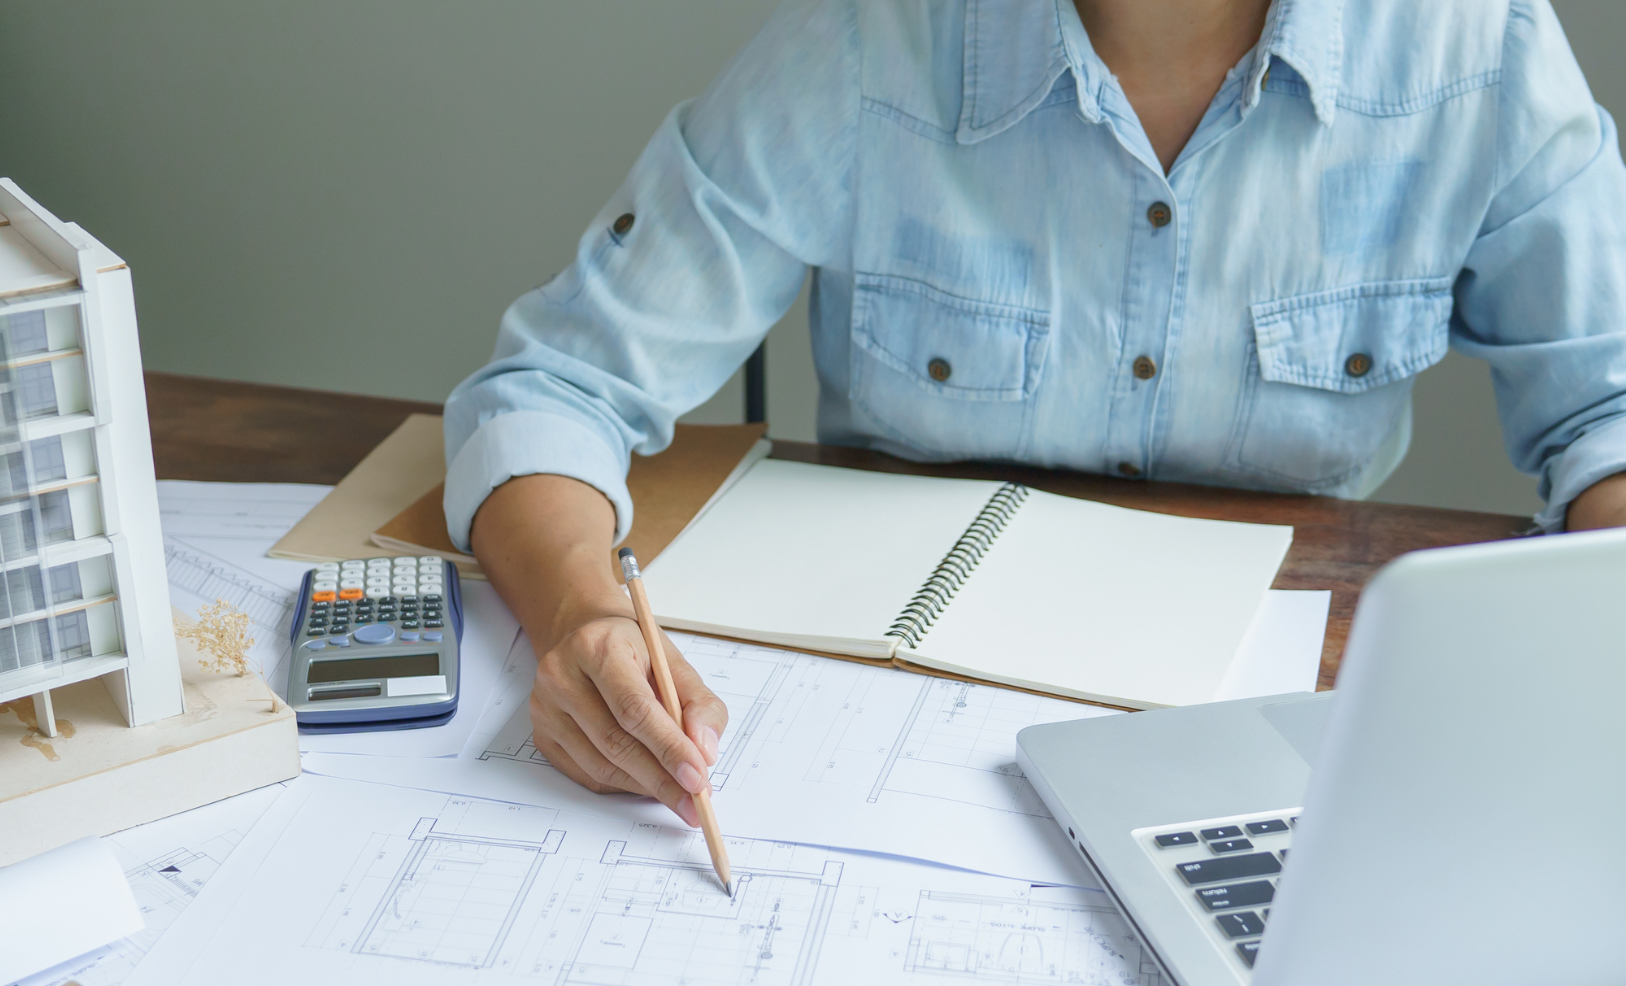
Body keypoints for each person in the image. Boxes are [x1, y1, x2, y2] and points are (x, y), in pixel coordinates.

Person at [441, 0, 1626, 828]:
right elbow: (553, 389)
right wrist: (582, 617)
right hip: (878, 736)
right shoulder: (869, 40)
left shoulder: (1483, 46)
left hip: (1274, 745)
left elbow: (1611, 414)